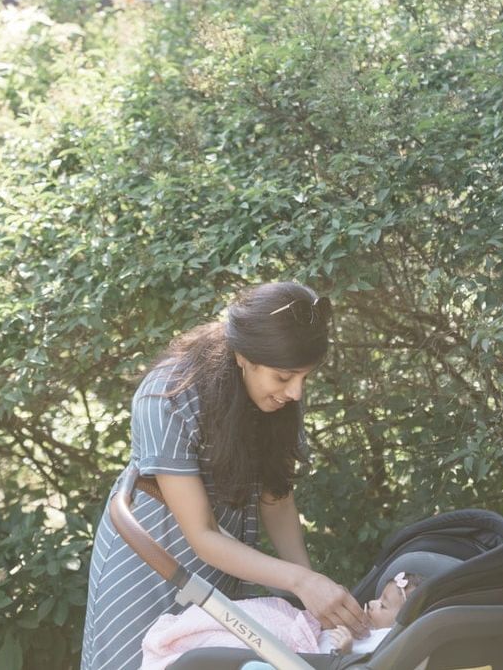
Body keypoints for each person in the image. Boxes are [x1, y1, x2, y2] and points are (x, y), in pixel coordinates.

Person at [80, 281, 367, 670]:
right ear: (244, 356)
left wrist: (310, 595)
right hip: (148, 562)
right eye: (284, 377)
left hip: (223, 562)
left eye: (304, 378)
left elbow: (277, 500)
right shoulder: (167, 394)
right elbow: (202, 534)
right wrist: (301, 583)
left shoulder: (277, 399)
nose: (297, 392)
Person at [139, 571, 418, 669]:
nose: (370, 603)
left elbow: (351, 664)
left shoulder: (385, 642)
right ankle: (186, 631)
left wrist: (343, 650)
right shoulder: (368, 628)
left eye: (382, 605)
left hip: (306, 657)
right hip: (301, 629)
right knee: (263, 614)